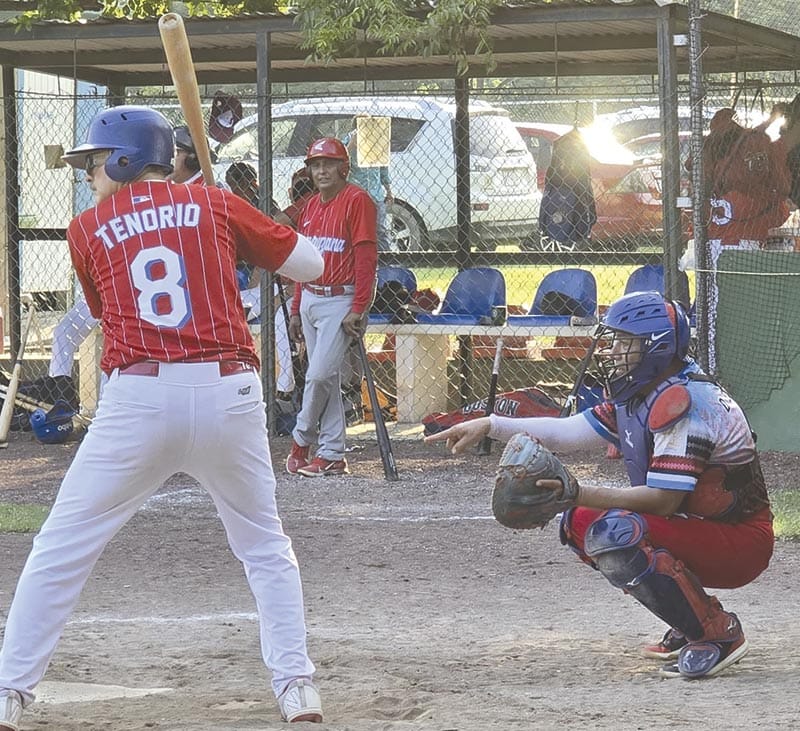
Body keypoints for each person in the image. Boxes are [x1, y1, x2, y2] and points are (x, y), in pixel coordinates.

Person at [0, 105, 326, 728]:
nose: (89, 173)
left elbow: (105, 307)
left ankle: (10, 690)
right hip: (231, 396)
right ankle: (297, 687)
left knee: (61, 548)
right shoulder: (218, 205)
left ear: (124, 159)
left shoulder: (87, 227)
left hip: (138, 403)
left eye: (95, 162)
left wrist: (208, 212)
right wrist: (234, 216)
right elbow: (310, 265)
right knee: (264, 547)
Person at [425, 291, 773, 680]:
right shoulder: (644, 392)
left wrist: (575, 491)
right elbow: (565, 432)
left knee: (615, 531)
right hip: (701, 527)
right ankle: (690, 615)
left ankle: (717, 633)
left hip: (740, 541)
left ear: (655, 347)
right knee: (580, 522)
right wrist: (491, 424)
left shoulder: (687, 403)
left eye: (625, 342)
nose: (613, 351)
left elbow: (662, 501)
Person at [286, 137, 378, 477]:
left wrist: (360, 305)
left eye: (328, 164)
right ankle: (332, 455)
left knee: (319, 375)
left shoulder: (358, 201)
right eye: (315, 164)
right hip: (310, 297)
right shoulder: (309, 206)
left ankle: (300, 440)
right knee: (326, 380)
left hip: (342, 299)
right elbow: (302, 262)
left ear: (344, 167)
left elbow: (367, 258)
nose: (321, 170)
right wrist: (296, 307)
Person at [687, 106, 795, 371]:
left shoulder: (706, 159)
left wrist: (769, 122)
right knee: (739, 314)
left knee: (713, 314)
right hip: (738, 247)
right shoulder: (749, 156)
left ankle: (713, 367)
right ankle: (723, 369)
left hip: (711, 245)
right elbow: (781, 187)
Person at [225, 161, 296, 398]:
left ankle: (284, 389)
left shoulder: (294, 236)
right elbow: (258, 277)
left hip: (285, 296)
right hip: (262, 290)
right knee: (239, 303)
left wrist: (277, 298)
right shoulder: (230, 204)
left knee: (277, 319)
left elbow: (300, 285)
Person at [342, 116, 394, 252]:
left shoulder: (375, 141)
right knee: (355, 229)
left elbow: (383, 168)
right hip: (356, 192)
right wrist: (352, 144)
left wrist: (388, 190)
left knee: (379, 230)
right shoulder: (348, 140)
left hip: (375, 193)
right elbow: (340, 162)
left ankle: (386, 261)